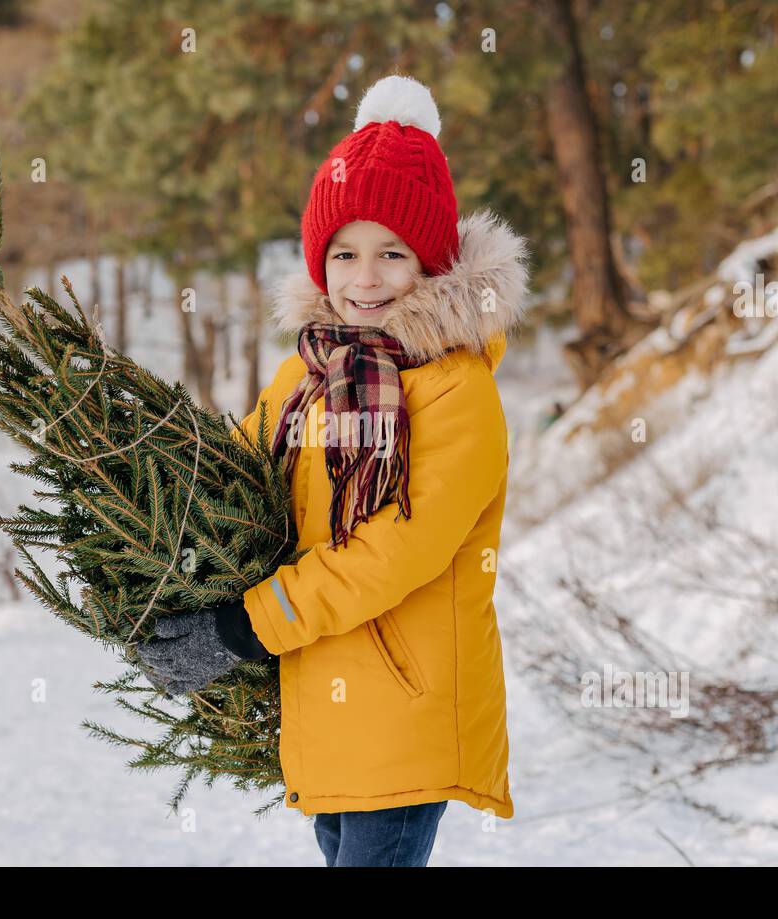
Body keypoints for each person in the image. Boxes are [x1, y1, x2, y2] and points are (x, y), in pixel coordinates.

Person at [138, 74, 530, 866]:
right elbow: (231, 485)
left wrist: (243, 628)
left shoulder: (458, 392)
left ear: (435, 262)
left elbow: (393, 555)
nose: (366, 277)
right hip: (326, 701)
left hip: (408, 712)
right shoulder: (302, 380)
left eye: (394, 252)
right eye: (344, 253)